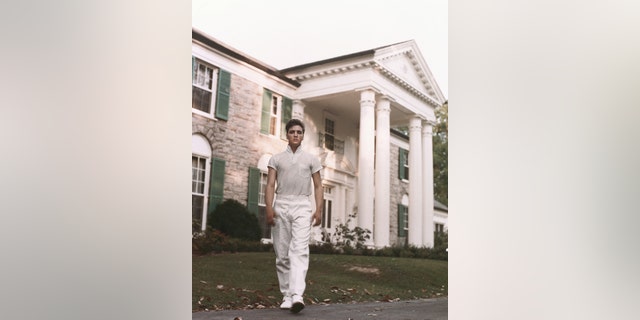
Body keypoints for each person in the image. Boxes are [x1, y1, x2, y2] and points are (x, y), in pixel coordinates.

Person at [265, 118, 323, 314]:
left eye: (299, 132)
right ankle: (287, 295)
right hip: (281, 204)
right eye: (292, 132)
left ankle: (297, 294)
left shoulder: (311, 160)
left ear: (303, 135)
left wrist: (319, 210)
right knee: (282, 254)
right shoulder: (276, 159)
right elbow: (270, 185)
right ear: (287, 135)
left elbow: (318, 186)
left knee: (299, 250)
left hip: (302, 205)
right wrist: (268, 208)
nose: (296, 135)